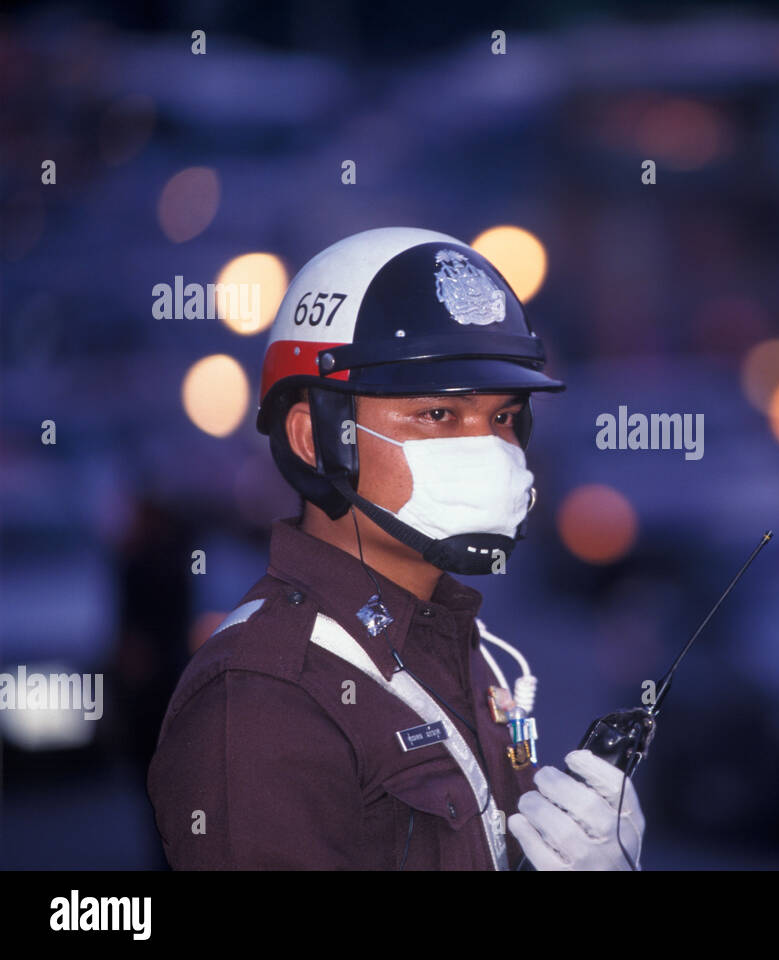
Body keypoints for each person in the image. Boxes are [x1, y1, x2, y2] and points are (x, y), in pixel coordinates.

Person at [147, 227, 645, 870]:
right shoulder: (265, 694)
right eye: (438, 415)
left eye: (502, 418)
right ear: (315, 438)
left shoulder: (456, 646)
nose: (488, 448)